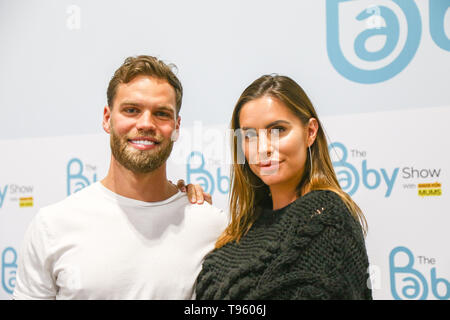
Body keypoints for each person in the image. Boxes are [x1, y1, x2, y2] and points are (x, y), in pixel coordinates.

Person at [13, 55, 227, 300]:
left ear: (177, 127)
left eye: (161, 113)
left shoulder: (211, 227)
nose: (146, 123)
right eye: (131, 110)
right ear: (107, 118)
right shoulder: (52, 226)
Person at [194, 74, 373, 300]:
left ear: (310, 132)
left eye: (278, 130)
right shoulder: (242, 228)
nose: (263, 148)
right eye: (249, 135)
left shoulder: (325, 216)